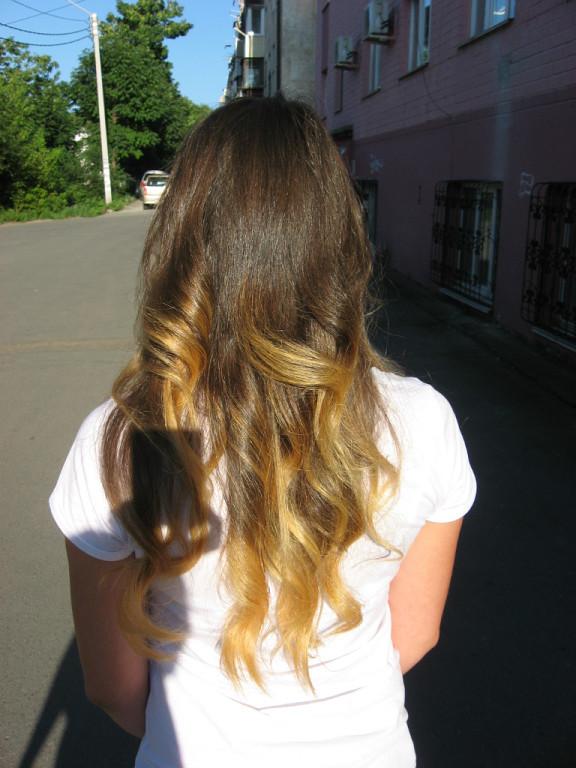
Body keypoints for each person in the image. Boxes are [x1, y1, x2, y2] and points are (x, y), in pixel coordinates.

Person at [50, 96, 476, 768]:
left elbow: (113, 686)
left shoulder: (120, 439)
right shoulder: (424, 419)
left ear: (181, 242)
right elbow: (416, 632)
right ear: (339, 241)